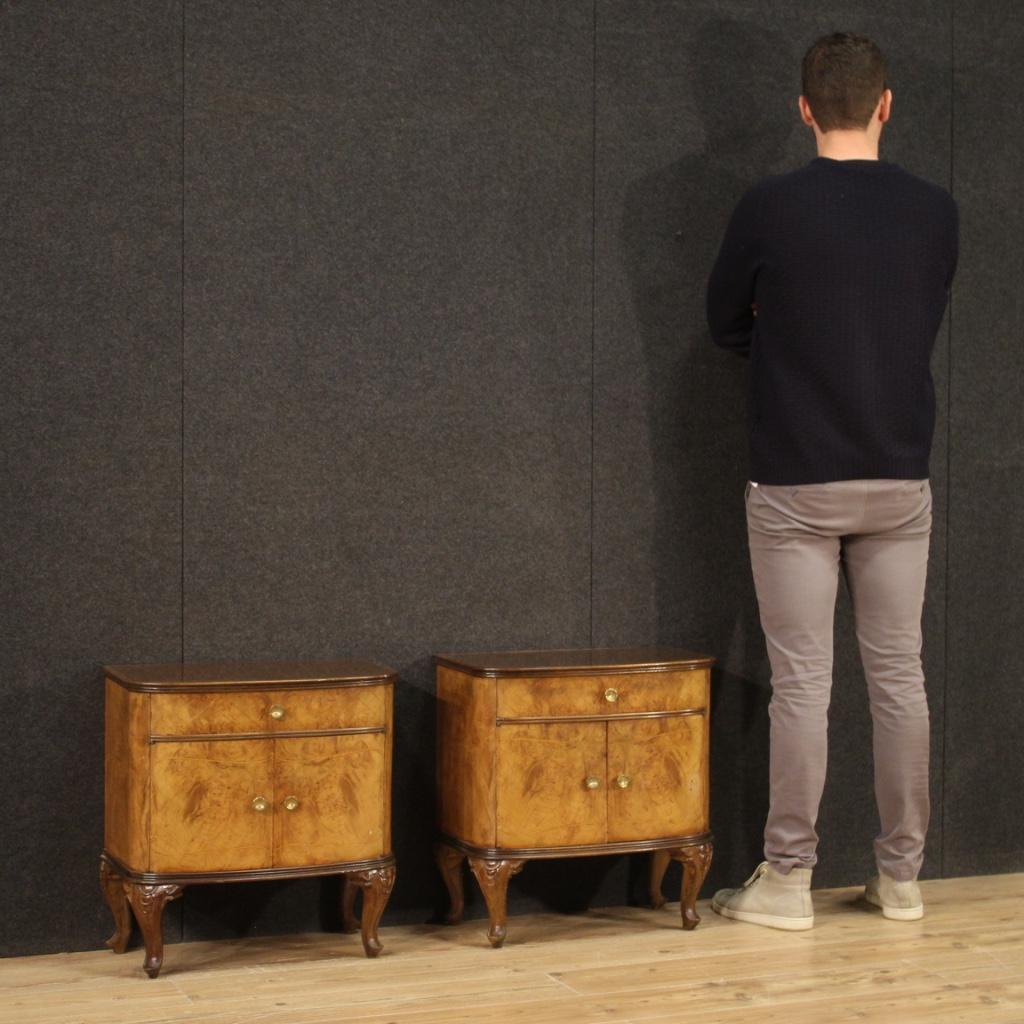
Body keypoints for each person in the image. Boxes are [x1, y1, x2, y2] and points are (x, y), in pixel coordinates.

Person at [704, 31, 959, 930]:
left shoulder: (770, 206)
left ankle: (785, 883)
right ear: (887, 106)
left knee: (803, 684)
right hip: (898, 474)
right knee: (901, 679)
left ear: (806, 108)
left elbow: (723, 322)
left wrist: (784, 328)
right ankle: (901, 880)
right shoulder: (936, 210)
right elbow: (916, 312)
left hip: (794, 483)